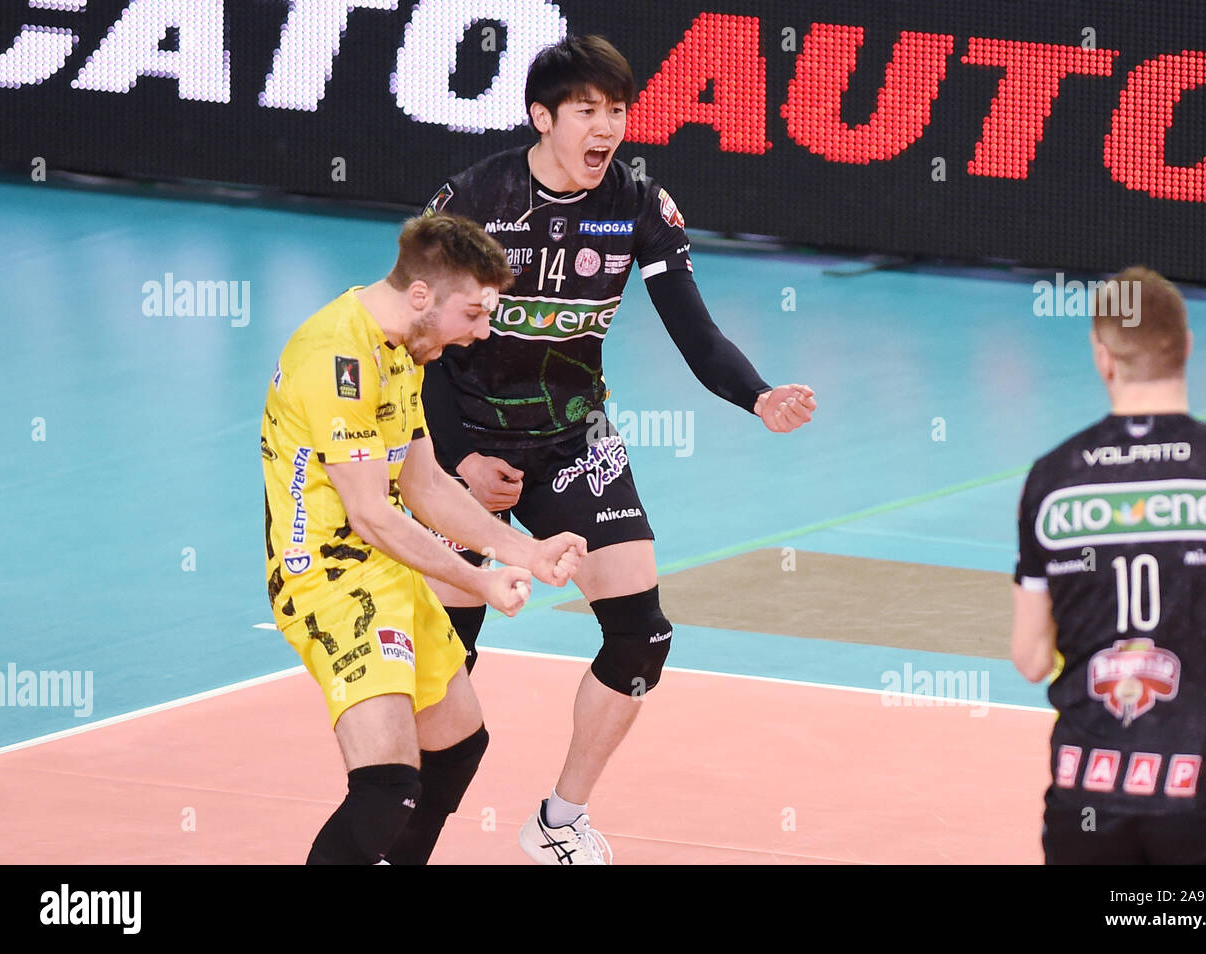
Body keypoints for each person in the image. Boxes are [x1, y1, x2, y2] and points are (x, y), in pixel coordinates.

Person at [417, 35, 818, 865]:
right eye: (588, 112)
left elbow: (695, 332)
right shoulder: (474, 199)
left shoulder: (636, 201)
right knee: (442, 659)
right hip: (467, 440)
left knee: (643, 639)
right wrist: (456, 460)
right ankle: (404, 836)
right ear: (542, 118)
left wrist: (758, 395)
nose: (608, 128)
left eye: (619, 111)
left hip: (575, 436)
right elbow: (413, 346)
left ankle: (559, 819)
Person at [261, 214, 587, 864]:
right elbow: (370, 515)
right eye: (472, 313)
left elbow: (427, 486)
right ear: (421, 296)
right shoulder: (337, 356)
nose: (482, 332)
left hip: (384, 568)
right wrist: (480, 581)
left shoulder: (401, 349)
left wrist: (523, 552)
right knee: (386, 788)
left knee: (458, 747)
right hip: (328, 578)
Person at [1011, 266, 1206, 864]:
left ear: (1102, 356)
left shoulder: (1052, 475)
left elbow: (1031, 658)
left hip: (1087, 788)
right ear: (1186, 346)